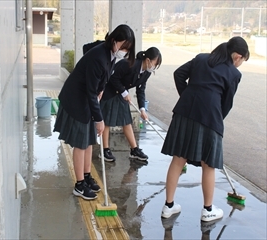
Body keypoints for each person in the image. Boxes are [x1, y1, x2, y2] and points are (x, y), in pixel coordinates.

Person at [160, 36, 249, 222]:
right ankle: (208, 210)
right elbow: (227, 103)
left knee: (178, 159)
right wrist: (216, 117)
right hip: (209, 117)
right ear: (237, 56)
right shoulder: (233, 73)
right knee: (208, 165)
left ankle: (168, 206)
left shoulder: (201, 58)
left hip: (184, 113)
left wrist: (187, 98)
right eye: (242, 61)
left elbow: (178, 74)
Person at [53, 24, 136, 200]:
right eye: (123, 47)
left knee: (89, 139)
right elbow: (90, 90)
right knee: (81, 142)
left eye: (127, 49)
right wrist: (99, 119)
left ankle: (87, 175)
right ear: (114, 40)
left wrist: (100, 90)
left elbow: (100, 81)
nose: (124, 51)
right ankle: (79, 185)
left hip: (87, 96)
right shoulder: (99, 56)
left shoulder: (111, 53)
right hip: (76, 99)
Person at [99, 47, 162, 162]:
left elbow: (141, 90)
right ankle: (105, 150)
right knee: (106, 122)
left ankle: (134, 150)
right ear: (148, 60)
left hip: (121, 94)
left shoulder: (146, 73)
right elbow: (112, 78)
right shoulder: (128, 64)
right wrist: (124, 91)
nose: (154, 67)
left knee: (126, 121)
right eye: (154, 63)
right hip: (109, 92)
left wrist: (142, 109)